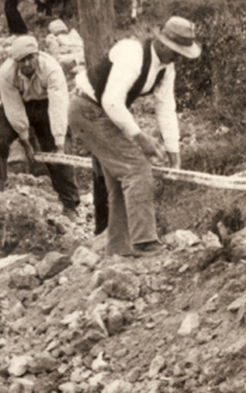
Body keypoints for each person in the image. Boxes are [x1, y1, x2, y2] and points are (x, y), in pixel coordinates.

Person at [69, 16, 201, 258]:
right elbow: (111, 100)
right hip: (87, 110)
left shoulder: (166, 69)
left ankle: (120, 248)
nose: (178, 58)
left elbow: (166, 107)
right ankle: (144, 242)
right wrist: (140, 138)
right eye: (176, 51)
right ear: (162, 43)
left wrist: (174, 151)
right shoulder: (133, 54)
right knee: (137, 169)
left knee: (122, 180)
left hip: (105, 114)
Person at [0, 35, 81, 216]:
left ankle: (70, 203)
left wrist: (59, 144)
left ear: (37, 54)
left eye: (30, 58)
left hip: (46, 106)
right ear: (15, 61)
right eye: (22, 60)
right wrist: (26, 142)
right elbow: (14, 108)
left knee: (59, 153)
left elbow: (58, 105)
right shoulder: (6, 72)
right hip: (18, 104)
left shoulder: (51, 68)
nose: (27, 63)